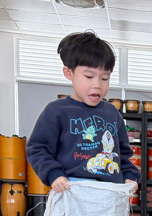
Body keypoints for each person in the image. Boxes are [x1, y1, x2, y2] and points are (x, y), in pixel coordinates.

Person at [26, 31, 139, 193]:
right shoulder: (56, 111)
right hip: (71, 189)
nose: (97, 85)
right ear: (69, 73)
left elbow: (123, 154)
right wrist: (54, 174)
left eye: (105, 78)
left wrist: (129, 175)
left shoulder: (112, 113)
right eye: (89, 76)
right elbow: (38, 148)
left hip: (109, 191)